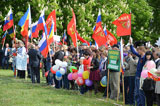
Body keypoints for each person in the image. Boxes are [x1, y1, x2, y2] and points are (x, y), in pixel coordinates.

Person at [129, 37, 146, 106]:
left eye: (138, 50)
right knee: (136, 92)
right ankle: (138, 104)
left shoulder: (145, 57)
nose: (137, 51)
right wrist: (131, 43)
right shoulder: (140, 56)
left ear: (142, 50)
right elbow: (133, 52)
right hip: (137, 76)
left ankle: (141, 104)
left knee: (140, 92)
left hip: (141, 77)